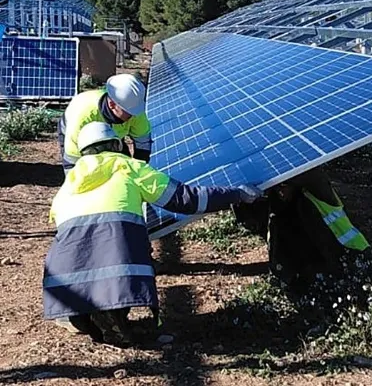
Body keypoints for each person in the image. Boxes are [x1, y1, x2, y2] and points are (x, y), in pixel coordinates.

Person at [43, 122, 262, 346]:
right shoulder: (128, 167)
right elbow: (184, 198)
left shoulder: (69, 184)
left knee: (94, 251)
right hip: (115, 256)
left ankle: (85, 317)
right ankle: (112, 314)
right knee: (123, 246)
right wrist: (235, 195)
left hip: (65, 270)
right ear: (117, 145)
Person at [233, 166, 370, 292]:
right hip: (315, 271)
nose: (281, 191)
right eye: (277, 188)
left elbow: (306, 171)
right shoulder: (277, 209)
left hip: (352, 255)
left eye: (284, 185)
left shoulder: (318, 190)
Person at [58, 74, 152, 174]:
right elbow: (72, 162)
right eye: (129, 112)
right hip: (81, 136)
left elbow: (143, 145)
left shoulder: (135, 111)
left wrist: (138, 173)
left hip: (113, 136)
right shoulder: (82, 117)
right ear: (112, 104)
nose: (133, 116)